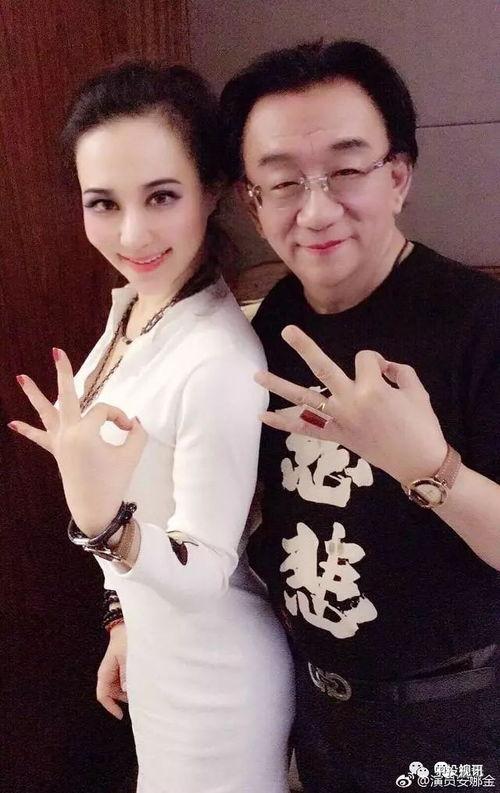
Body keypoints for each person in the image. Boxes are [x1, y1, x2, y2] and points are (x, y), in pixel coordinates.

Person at [220, 40, 500, 792]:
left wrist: (428, 468)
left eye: (346, 171)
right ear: (253, 202)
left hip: (452, 715)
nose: (316, 211)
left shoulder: (479, 322)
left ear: (398, 176)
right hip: (316, 705)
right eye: (283, 181)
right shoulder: (269, 323)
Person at [9, 61, 294, 793]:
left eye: (161, 196)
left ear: (211, 191)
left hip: (216, 680)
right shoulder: (137, 308)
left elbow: (206, 569)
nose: (132, 233)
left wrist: (101, 521)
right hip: (159, 655)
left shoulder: (218, 358)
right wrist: (121, 618)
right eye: (103, 203)